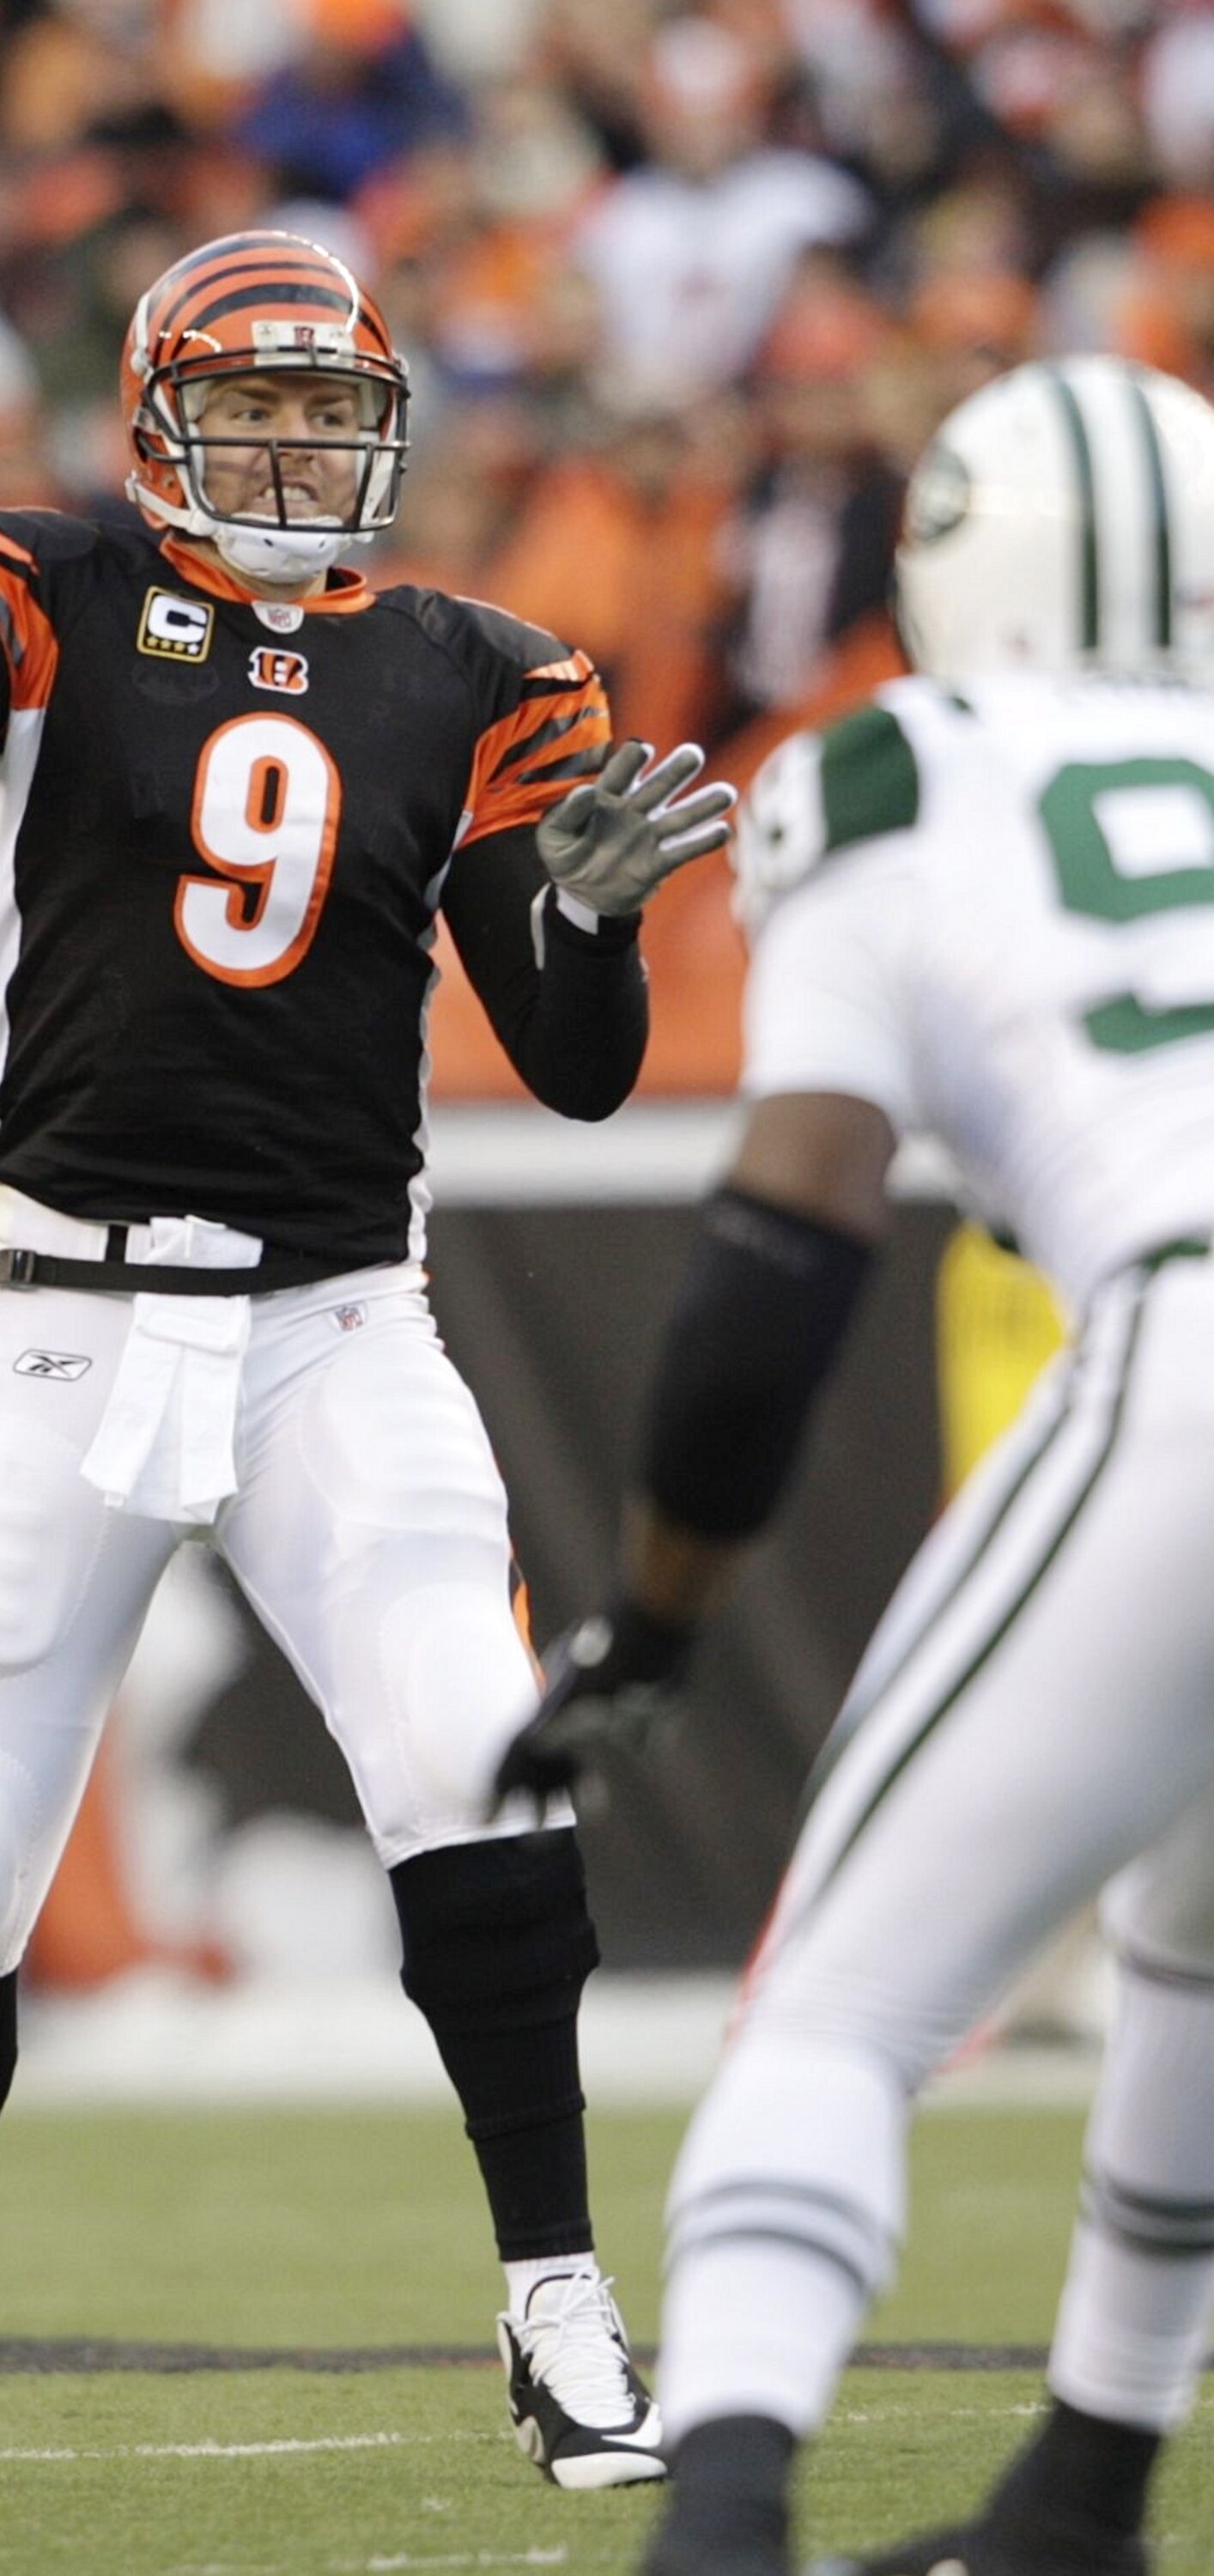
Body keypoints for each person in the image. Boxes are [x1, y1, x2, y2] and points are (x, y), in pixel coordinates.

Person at [0, 201, 737, 2494]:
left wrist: (587, 916)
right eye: (258, 408)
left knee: (470, 1765)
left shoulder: (479, 669)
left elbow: (581, 1064)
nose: (301, 453)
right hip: (66, 1321)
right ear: (154, 421)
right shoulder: (45, 594)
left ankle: (558, 2297)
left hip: (333, 1322)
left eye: (336, 412)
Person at [495, 353, 1214, 2576]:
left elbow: (780, 1261)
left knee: (843, 2002)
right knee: (1192, 1935)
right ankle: (1085, 2487)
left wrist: (665, 1617)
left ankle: (720, 2523)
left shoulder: (896, 767)